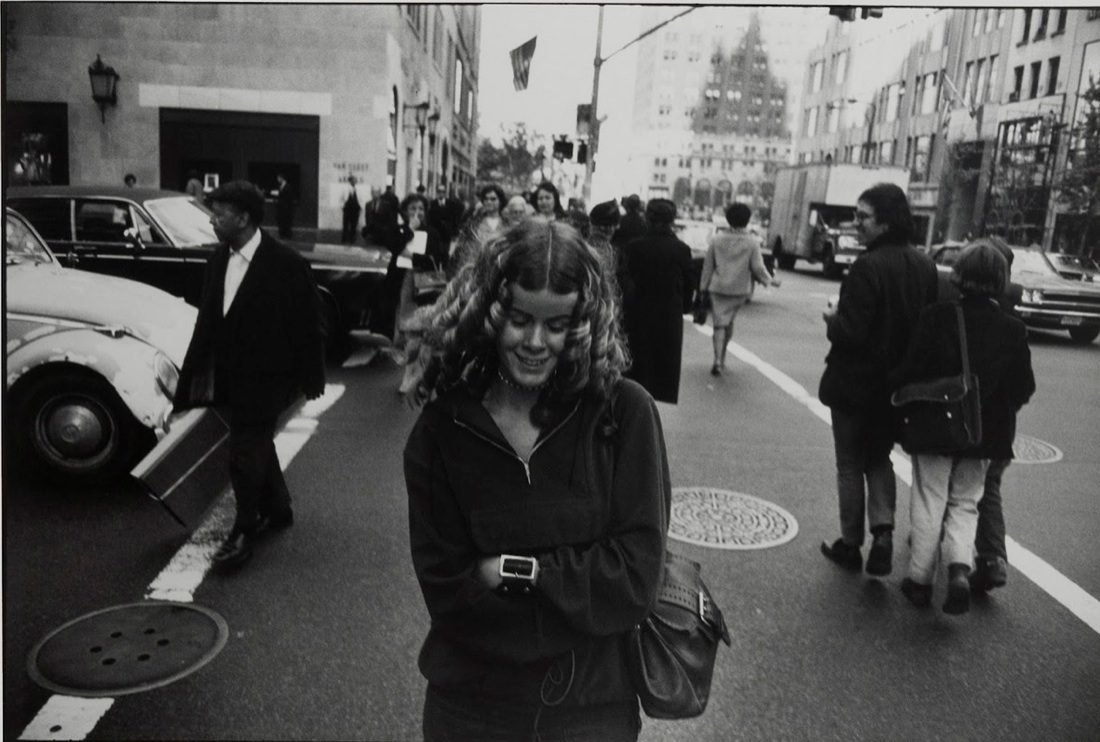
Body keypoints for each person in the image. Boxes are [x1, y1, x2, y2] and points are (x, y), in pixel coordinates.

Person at [403, 217, 669, 741]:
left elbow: (636, 577)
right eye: (519, 319)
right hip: (469, 711)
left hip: (590, 712)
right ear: (488, 313)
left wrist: (511, 570)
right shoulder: (443, 427)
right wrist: (578, 598)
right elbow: (448, 589)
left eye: (556, 324)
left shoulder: (624, 413)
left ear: (584, 322)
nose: (535, 342)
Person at [173, 180, 326, 570]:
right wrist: (195, 375)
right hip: (229, 373)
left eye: (219, 213)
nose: (212, 220)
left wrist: (311, 377)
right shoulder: (217, 259)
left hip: (269, 377)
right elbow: (208, 322)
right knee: (255, 443)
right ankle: (278, 508)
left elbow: (308, 325)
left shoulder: (286, 263)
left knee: (243, 451)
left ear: (243, 218)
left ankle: (243, 530)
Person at [890, 241, 1035, 614]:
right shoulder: (1013, 329)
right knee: (967, 502)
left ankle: (920, 579)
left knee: (929, 498)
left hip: (937, 428)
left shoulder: (935, 317)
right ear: (1001, 279)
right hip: (985, 435)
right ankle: (958, 568)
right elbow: (1023, 388)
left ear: (959, 274)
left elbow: (909, 371)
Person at [818, 182, 939, 576]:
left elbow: (851, 331)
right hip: (896, 386)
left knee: (849, 463)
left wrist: (832, 320)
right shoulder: (925, 266)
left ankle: (851, 543)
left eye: (863, 216)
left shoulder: (867, 266)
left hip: (855, 383)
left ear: (886, 222)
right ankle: (883, 532)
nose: (856, 224)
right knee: (879, 457)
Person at [937, 236, 1025, 594]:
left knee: (951, 483)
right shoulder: (1012, 315)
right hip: (1001, 423)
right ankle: (991, 558)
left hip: (962, 417)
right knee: (988, 488)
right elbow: (1022, 383)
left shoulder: (958, 308)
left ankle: (945, 546)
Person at [623, 198, 696, 404]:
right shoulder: (681, 249)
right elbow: (689, 282)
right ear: (672, 220)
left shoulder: (634, 247)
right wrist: (685, 307)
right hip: (668, 315)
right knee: (663, 365)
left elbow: (625, 280)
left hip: (638, 314)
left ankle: (634, 406)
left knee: (637, 365)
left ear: (647, 217)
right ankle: (653, 409)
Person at [700, 202, 781, 376]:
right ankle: (723, 355)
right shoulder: (751, 242)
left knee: (719, 323)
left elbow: (708, 266)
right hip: (739, 289)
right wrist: (770, 281)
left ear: (728, 219)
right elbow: (758, 267)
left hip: (718, 287)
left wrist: (703, 287)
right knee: (728, 321)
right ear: (747, 220)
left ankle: (717, 360)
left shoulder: (717, 239)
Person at [341, 175, 362, 245]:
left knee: (354, 225)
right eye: (354, 180)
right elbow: (342, 198)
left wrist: (360, 206)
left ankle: (352, 238)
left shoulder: (357, 189)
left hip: (355, 209)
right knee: (346, 224)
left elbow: (360, 199)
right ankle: (344, 238)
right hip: (347, 208)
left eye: (355, 180)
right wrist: (343, 206)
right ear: (351, 181)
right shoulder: (345, 188)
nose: (355, 181)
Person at [274, 173, 294, 239]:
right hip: (281, 208)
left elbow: (289, 198)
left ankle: (287, 235)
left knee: (286, 222)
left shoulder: (287, 186)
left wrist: (285, 206)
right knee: (281, 222)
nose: (277, 180)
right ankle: (282, 234)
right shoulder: (281, 186)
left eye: (278, 178)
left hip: (285, 208)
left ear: (281, 178)